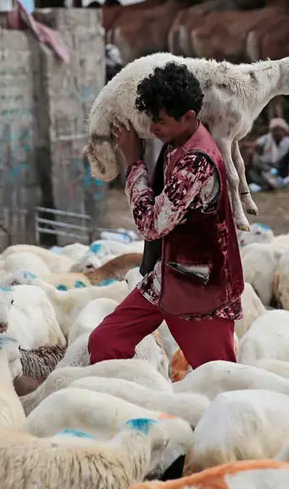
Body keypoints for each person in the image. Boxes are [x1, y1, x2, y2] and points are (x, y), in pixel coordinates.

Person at [87, 62, 242, 369]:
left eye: (161, 121)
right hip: (166, 279)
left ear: (188, 117)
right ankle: (130, 403)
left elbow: (151, 225)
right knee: (105, 341)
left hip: (201, 290)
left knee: (218, 376)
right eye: (150, 119)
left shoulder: (197, 161)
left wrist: (133, 162)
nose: (153, 128)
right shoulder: (176, 144)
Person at [248, 118, 289, 190]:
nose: (278, 132)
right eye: (275, 130)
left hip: (281, 169)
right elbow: (255, 152)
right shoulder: (264, 140)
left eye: (280, 130)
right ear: (271, 131)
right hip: (264, 168)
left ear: (285, 131)